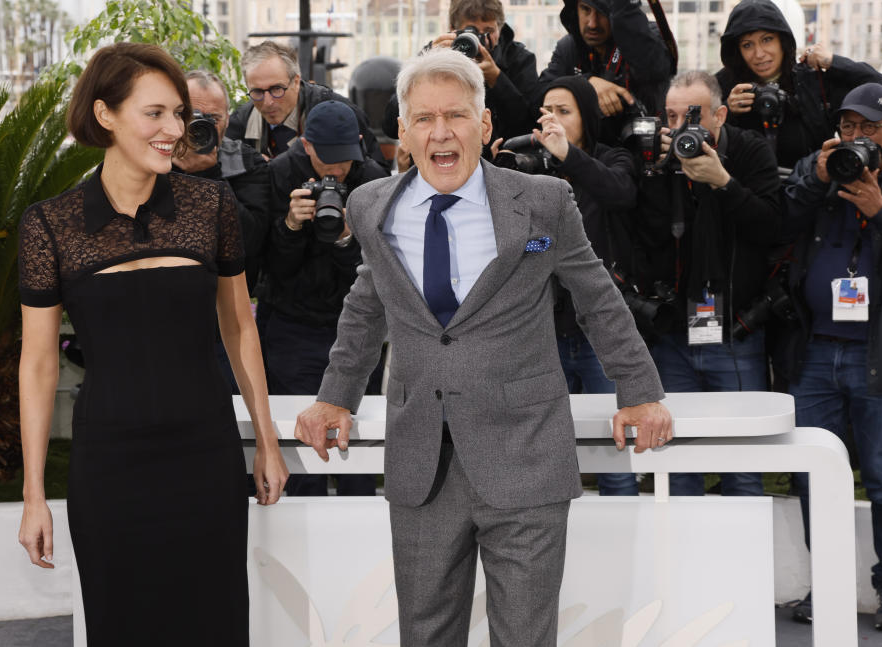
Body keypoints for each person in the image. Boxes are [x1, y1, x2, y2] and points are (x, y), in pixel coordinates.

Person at [294, 47, 672, 646]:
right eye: (423, 119)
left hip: (526, 457)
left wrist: (641, 392)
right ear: (402, 131)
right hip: (422, 462)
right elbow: (367, 305)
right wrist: (334, 397)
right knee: (425, 636)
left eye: (456, 116)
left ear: (486, 124)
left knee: (524, 637)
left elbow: (596, 298)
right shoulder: (370, 207)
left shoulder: (543, 201)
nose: (440, 133)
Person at [16, 43, 288, 645]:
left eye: (179, 114)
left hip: (205, 456)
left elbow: (240, 325)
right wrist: (34, 495)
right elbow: (36, 365)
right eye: (155, 114)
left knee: (213, 624)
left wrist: (266, 442)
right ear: (105, 115)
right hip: (109, 465)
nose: (175, 131)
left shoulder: (208, 205)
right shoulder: (51, 225)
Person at [780, 82, 882, 631]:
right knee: (812, 475)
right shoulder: (826, 168)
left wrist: (880, 209)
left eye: (869, 128)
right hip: (817, 349)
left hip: (880, 351)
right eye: (849, 126)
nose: (857, 137)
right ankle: (825, 584)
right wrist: (817, 175)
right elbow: (780, 219)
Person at [627, 71, 783, 496]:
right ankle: (680, 562)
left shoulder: (748, 152)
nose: (680, 129)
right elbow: (642, 237)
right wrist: (659, 171)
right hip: (674, 334)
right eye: (672, 117)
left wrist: (722, 182)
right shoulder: (658, 163)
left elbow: (772, 227)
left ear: (720, 116)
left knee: (743, 465)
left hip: (735, 333)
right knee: (675, 463)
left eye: (692, 117)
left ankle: (743, 563)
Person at [264, 100, 388, 496]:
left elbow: (378, 273)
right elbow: (272, 271)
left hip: (355, 331)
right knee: (303, 447)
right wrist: (289, 226)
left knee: (358, 448)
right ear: (306, 145)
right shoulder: (279, 174)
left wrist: (348, 238)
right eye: (327, 160)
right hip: (293, 328)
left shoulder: (372, 179)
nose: (336, 171)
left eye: (344, 159)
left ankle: (364, 533)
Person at [525, 75, 641, 496]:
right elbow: (524, 243)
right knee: (550, 455)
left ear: (586, 117)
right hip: (545, 333)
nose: (551, 119)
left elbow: (619, 192)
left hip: (599, 337)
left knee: (617, 457)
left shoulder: (614, 158)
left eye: (563, 111)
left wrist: (567, 156)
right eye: (546, 111)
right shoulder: (530, 164)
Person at [716, 0, 882, 170]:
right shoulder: (724, 85)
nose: (759, 54)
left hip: (810, 195)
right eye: (747, 45)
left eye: (767, 40)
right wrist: (726, 111)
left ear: (783, 40)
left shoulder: (814, 82)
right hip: (746, 196)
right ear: (736, 50)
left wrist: (834, 63)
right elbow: (695, 138)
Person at [172, 70, 271, 392]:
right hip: (165, 323)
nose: (202, 125)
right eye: (192, 115)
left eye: (212, 117)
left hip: (226, 326)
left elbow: (251, 240)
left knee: (230, 427)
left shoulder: (247, 163)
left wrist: (212, 177)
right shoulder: (153, 162)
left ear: (228, 118)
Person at [226, 40, 384, 164]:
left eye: (276, 89)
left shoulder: (341, 113)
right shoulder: (239, 123)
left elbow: (376, 177)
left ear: (296, 82)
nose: (267, 102)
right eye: (257, 92)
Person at [540, 0, 675, 143]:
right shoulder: (569, 47)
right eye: (585, 9)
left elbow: (655, 69)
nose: (592, 23)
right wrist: (586, 84)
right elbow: (540, 93)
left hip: (644, 146)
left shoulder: (646, 38)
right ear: (575, 11)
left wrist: (624, 16)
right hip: (590, 150)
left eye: (602, 13)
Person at [429, 0, 542, 142]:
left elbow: (532, 125)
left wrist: (496, 78)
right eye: (472, 31)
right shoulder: (436, 52)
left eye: (489, 31)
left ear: (500, 29)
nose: (481, 40)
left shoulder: (519, 59)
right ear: (453, 29)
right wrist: (431, 66)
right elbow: (394, 122)